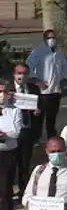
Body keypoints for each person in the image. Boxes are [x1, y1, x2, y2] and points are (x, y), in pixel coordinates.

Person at [22, 137, 67, 209]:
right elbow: (27, 195)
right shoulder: (39, 170)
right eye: (53, 152)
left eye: (59, 151)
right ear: (47, 151)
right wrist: (32, 204)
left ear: (65, 151)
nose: (56, 154)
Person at [25, 29, 67, 141]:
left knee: (52, 119)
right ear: (45, 39)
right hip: (43, 92)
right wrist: (36, 81)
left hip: (56, 91)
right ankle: (36, 140)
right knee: (38, 119)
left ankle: (52, 140)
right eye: (50, 38)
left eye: (54, 37)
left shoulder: (59, 52)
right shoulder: (38, 52)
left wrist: (64, 79)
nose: (52, 40)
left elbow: (65, 67)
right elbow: (28, 66)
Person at [11, 64, 42, 201]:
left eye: (24, 73)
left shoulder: (34, 89)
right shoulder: (8, 90)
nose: (21, 76)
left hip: (28, 131)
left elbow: (40, 108)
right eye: (19, 73)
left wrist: (38, 111)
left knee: (25, 163)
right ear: (14, 74)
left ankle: (23, 191)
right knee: (9, 164)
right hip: (11, 133)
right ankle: (7, 189)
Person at [0, 80, 23, 210]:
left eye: (5, 91)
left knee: (5, 189)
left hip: (8, 154)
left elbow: (16, 133)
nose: (2, 94)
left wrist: (4, 135)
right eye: (0, 91)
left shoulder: (15, 111)